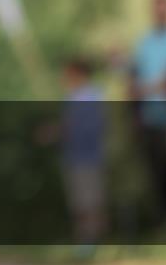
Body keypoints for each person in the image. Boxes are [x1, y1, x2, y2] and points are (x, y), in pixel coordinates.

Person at [128, 0, 166, 222]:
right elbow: (135, 83)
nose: (162, 12)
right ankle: (163, 220)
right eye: (158, 8)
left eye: (165, 8)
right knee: (156, 171)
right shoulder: (144, 43)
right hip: (151, 117)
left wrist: (152, 86)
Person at [59, 58, 107, 247]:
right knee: (80, 200)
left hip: (88, 156)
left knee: (90, 200)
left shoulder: (89, 96)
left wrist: (62, 130)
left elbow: (89, 126)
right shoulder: (74, 96)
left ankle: (93, 240)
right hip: (75, 156)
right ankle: (87, 239)